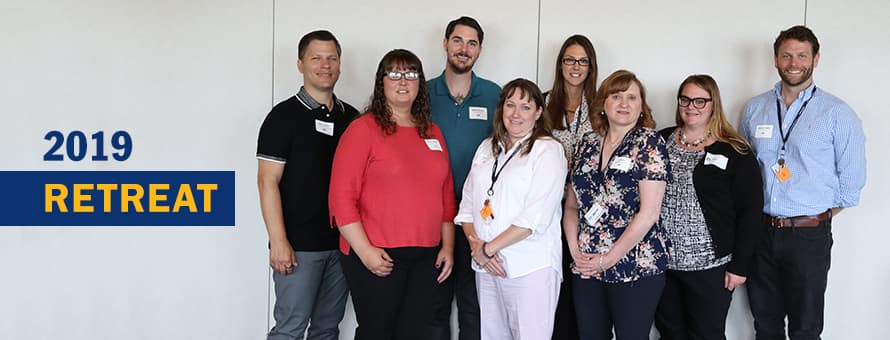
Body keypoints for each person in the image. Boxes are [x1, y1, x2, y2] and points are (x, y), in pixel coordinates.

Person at [739, 25, 866, 340]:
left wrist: (811, 218)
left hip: (809, 237)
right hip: (760, 234)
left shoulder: (838, 114)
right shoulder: (755, 109)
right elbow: (743, 170)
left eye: (801, 55)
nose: (793, 62)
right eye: (786, 55)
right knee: (764, 324)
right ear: (775, 59)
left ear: (816, 59)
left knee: (806, 328)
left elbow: (851, 186)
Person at [328, 49, 456, 340]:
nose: (403, 81)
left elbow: (446, 196)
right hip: (378, 254)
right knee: (378, 332)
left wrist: (447, 247)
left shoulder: (432, 132)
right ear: (381, 81)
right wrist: (365, 252)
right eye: (394, 73)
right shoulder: (362, 130)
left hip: (426, 256)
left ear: (420, 83)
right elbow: (340, 199)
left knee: (416, 332)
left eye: (411, 74)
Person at [256, 30, 357, 340]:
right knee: (289, 330)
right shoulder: (282, 117)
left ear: (340, 64)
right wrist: (279, 241)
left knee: (327, 330)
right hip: (298, 248)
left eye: (332, 58)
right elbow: (266, 181)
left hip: (341, 247)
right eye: (316, 58)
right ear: (300, 64)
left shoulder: (352, 119)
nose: (325, 65)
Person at [455, 79, 567, 339]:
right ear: (501, 109)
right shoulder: (487, 148)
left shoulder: (548, 151)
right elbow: (468, 206)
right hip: (485, 265)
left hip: (529, 266)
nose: (516, 114)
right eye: (510, 105)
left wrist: (487, 250)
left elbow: (534, 217)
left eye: (525, 107)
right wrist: (477, 248)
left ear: (539, 112)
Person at [564, 70, 671, 340]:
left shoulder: (649, 142)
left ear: (641, 105)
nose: (624, 103)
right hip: (586, 263)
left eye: (632, 97)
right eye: (616, 96)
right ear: (603, 104)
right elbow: (571, 206)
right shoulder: (587, 144)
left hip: (635, 264)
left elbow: (648, 214)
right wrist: (576, 252)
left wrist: (608, 259)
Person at [655, 74, 763, 340]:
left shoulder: (735, 151)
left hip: (710, 267)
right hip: (663, 265)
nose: (691, 106)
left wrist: (740, 267)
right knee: (669, 333)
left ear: (714, 104)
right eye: (685, 99)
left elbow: (750, 212)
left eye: (700, 101)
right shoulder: (660, 141)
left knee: (706, 334)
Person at [428, 16, 501, 340]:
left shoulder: (494, 95)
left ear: (480, 50)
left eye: (472, 43)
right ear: (445, 43)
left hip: (478, 220)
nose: (464, 49)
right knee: (434, 305)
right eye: (458, 40)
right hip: (431, 219)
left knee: (475, 305)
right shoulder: (423, 93)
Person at [543, 34, 598, 340]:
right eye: (569, 60)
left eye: (582, 61)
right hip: (549, 212)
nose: (575, 67)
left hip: (587, 215)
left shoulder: (602, 107)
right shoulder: (542, 101)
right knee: (555, 290)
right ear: (560, 64)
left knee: (583, 294)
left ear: (591, 66)